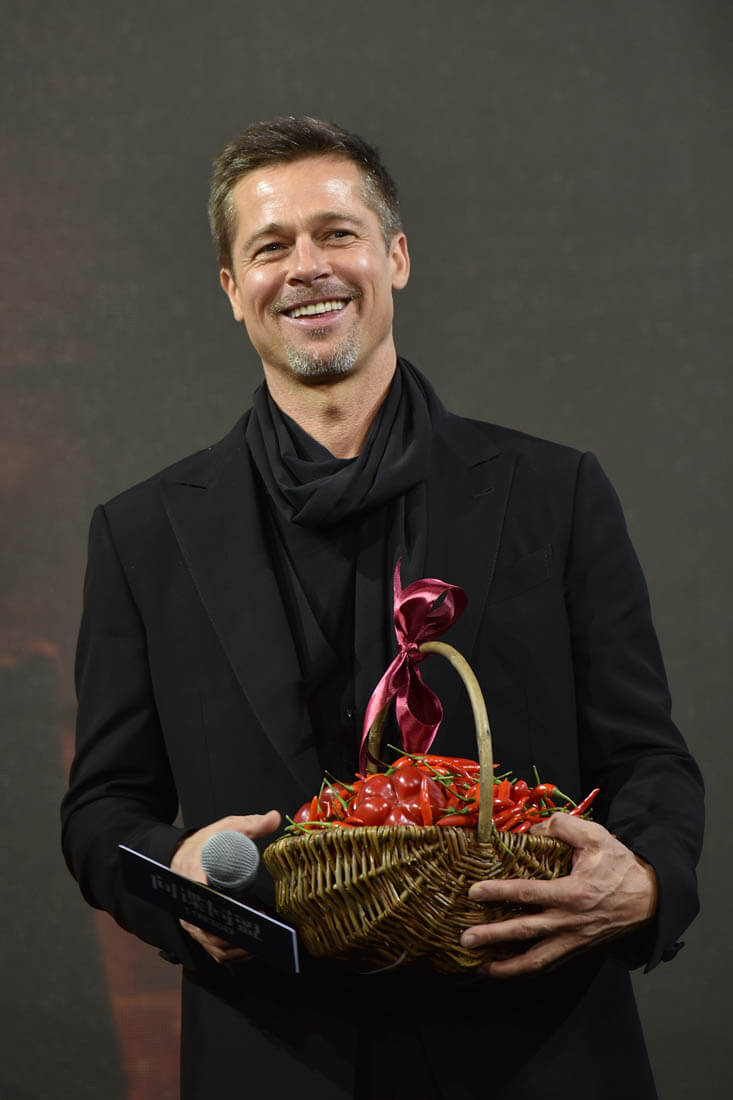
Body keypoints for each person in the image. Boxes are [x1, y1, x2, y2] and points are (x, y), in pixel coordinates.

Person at [61, 116, 704, 1099]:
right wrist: (170, 879)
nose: (306, 267)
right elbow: (102, 807)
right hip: (273, 1057)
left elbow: (648, 756)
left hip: (539, 1051)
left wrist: (648, 882)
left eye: (337, 233)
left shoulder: (554, 493)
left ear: (395, 256)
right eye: (270, 246)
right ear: (231, 288)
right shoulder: (142, 534)